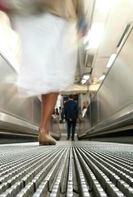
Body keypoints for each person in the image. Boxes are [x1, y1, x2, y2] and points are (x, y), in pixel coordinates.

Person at [10, 0, 87, 145]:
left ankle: (44, 128)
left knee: (43, 70)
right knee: (55, 71)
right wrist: (81, 16)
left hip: (31, 12)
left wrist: (13, 11)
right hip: (57, 13)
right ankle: (44, 129)